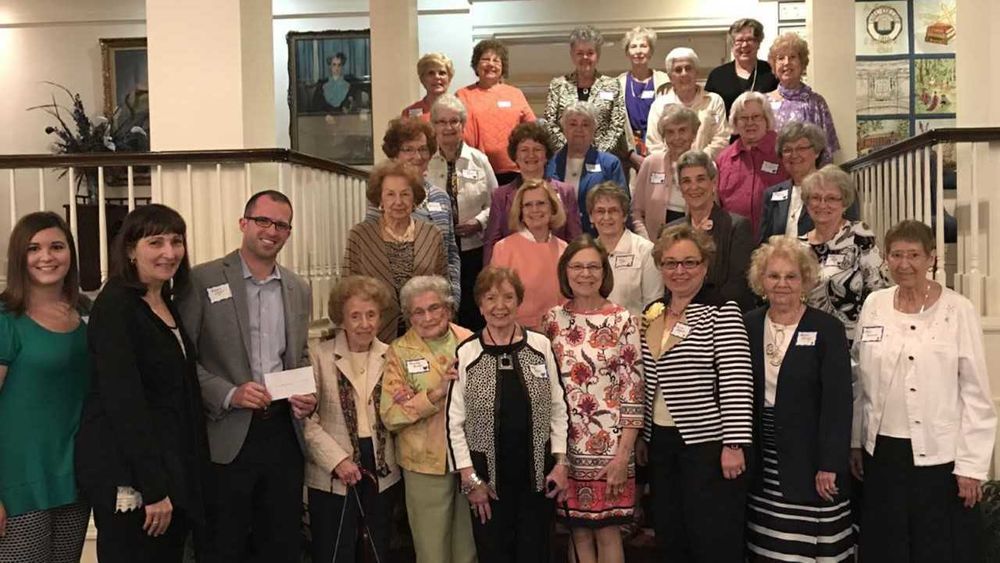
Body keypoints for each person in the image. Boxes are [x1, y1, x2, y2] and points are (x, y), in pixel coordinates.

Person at [176, 191, 315, 563]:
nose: (272, 231)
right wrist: (228, 394)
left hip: (283, 432)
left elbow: (298, 354)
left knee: (281, 541)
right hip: (226, 433)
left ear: (288, 233)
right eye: (263, 221)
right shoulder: (201, 280)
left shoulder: (298, 287)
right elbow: (182, 359)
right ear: (244, 223)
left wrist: (306, 395)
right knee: (224, 544)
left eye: (281, 225)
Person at [852, 220, 997, 562]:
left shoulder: (957, 309)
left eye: (914, 255)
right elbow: (859, 378)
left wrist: (971, 467)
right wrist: (855, 441)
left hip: (940, 458)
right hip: (883, 453)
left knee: (936, 548)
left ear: (931, 257)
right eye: (897, 255)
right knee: (887, 545)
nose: (905, 264)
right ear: (886, 258)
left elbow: (976, 393)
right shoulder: (875, 304)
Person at [78, 204, 208, 563]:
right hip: (133, 481)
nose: (170, 252)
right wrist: (153, 489)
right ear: (131, 250)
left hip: (169, 471)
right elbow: (124, 403)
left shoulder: (163, 299)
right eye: (156, 242)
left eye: (176, 241)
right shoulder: (116, 306)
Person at [635, 223, 753, 562]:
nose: (680, 271)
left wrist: (734, 444)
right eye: (671, 263)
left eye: (689, 262)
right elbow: (648, 378)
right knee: (671, 532)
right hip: (661, 443)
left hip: (707, 444)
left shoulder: (722, 309)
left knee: (712, 536)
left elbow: (736, 379)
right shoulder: (653, 312)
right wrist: (644, 434)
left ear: (704, 265)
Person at [447, 266, 570, 563]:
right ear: (479, 304)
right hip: (486, 483)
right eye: (490, 298)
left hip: (538, 479)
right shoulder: (466, 353)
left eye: (507, 297)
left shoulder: (540, 346)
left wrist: (561, 463)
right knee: (493, 553)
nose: (499, 306)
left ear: (518, 302)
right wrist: (470, 480)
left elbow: (558, 407)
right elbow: (454, 423)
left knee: (536, 552)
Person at [744, 237, 855, 561]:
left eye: (791, 276)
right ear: (760, 280)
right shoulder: (748, 325)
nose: (782, 284)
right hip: (763, 459)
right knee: (770, 547)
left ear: (805, 280)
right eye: (773, 276)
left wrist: (829, 464)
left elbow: (838, 403)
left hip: (811, 459)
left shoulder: (827, 328)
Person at [542, 236, 643, 563]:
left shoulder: (621, 320)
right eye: (577, 266)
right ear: (565, 271)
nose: (585, 274)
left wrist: (623, 454)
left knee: (607, 531)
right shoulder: (552, 320)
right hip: (565, 449)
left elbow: (632, 391)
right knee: (578, 531)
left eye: (593, 267)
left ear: (604, 272)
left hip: (610, 449)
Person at [0, 213, 91, 562]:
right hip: (18, 483)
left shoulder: (86, 311)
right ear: (19, 257)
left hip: (73, 479)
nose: (47, 257)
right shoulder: (6, 318)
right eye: (33, 248)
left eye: (57, 246)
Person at [304, 275, 401, 563]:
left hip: (382, 467)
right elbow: (305, 419)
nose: (364, 323)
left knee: (376, 548)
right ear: (341, 319)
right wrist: (337, 461)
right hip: (332, 467)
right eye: (355, 316)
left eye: (371, 315)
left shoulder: (392, 355)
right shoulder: (318, 355)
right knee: (335, 550)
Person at [380, 275, 476, 563]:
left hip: (469, 458)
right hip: (424, 462)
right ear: (408, 316)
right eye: (417, 312)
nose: (427, 317)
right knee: (432, 551)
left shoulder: (469, 339)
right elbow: (391, 415)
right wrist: (435, 394)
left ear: (448, 309)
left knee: (468, 548)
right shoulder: (399, 350)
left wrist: (415, 398)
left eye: (434, 308)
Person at [349, 160, 448, 343]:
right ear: (380, 199)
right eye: (390, 194)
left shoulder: (432, 234)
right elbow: (347, 291)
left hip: (425, 336)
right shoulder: (360, 235)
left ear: (414, 198)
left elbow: (443, 290)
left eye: (405, 194)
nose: (398, 202)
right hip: (375, 336)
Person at [367, 117, 461, 304]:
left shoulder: (441, 197)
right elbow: (373, 251)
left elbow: (451, 253)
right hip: (392, 303)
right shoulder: (382, 195)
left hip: (436, 303)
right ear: (394, 154)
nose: (417, 156)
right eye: (408, 149)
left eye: (423, 149)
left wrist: (453, 299)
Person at [426, 94, 498, 330]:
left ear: (463, 125)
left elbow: (495, 204)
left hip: (473, 251)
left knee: (472, 312)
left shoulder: (479, 160)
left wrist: (478, 222)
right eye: (441, 122)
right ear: (433, 125)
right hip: (436, 252)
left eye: (454, 121)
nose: (448, 127)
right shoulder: (425, 162)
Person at [799, 165, 888, 342]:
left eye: (831, 198)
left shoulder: (859, 235)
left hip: (852, 340)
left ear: (845, 203)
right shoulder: (797, 246)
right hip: (807, 339)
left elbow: (879, 290)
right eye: (815, 198)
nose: (822, 204)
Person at [483, 122, 583, 263]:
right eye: (524, 150)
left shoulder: (566, 192)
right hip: (513, 272)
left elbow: (575, 241)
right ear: (515, 156)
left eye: (537, 149)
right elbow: (491, 243)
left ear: (546, 155)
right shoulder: (500, 196)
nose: (531, 155)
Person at [668, 150, 754, 311]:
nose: (694, 187)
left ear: (713, 183)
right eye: (686, 181)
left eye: (700, 179)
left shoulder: (737, 227)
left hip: (721, 319)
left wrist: (696, 313)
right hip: (678, 318)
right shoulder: (670, 231)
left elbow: (738, 287)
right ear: (680, 188)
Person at [490, 179, 569, 330]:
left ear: (552, 208)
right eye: (528, 205)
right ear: (520, 212)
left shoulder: (565, 249)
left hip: (559, 331)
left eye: (540, 203)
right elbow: (497, 300)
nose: (535, 210)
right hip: (517, 335)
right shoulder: (503, 248)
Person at [457, 39, 535, 185]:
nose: (491, 64)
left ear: (503, 67)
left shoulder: (515, 94)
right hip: (475, 170)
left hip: (513, 171)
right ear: (476, 65)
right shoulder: (463, 95)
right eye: (485, 59)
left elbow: (532, 129)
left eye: (496, 61)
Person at [545, 101, 628, 234]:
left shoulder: (610, 164)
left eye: (585, 124)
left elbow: (622, 205)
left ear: (594, 129)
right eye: (573, 124)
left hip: (598, 238)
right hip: (558, 238)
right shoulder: (549, 163)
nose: (579, 129)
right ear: (564, 129)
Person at [715, 91, 789, 237]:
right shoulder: (723, 159)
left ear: (767, 119)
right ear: (735, 122)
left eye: (756, 117)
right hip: (734, 241)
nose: (750, 123)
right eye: (743, 118)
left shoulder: (784, 151)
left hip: (777, 239)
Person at [543, 26, 626, 155]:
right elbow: (550, 124)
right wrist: (569, 151)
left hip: (601, 159)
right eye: (580, 53)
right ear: (572, 55)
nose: (585, 57)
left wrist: (598, 154)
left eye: (590, 53)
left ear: (597, 55)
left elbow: (617, 125)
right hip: (565, 158)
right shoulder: (558, 85)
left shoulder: (612, 85)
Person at [587, 183, 662, 316]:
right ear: (591, 217)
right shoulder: (585, 252)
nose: (606, 217)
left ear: (625, 216)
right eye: (600, 211)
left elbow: (654, 305)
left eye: (613, 211)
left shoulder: (645, 250)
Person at [644, 48, 730, 159]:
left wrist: (696, 162)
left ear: (696, 72)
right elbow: (654, 145)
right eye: (678, 70)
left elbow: (721, 139)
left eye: (688, 68)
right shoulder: (659, 106)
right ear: (670, 77)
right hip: (669, 170)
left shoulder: (714, 101)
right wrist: (675, 164)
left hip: (706, 170)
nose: (684, 74)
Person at [766, 34, 840, 163]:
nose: (786, 63)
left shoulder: (816, 103)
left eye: (793, 57)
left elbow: (827, 153)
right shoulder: (764, 103)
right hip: (772, 177)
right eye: (780, 58)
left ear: (802, 63)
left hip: (808, 178)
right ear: (773, 65)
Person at [632, 105, 700, 239]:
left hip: (693, 242)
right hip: (653, 243)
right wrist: (646, 243)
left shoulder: (706, 165)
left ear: (693, 133)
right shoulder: (651, 163)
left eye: (682, 130)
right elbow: (636, 212)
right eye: (670, 132)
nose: (677, 137)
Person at [617, 26, 670, 170]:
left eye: (643, 46)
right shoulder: (617, 85)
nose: (638, 51)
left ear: (651, 51)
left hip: (661, 152)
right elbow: (616, 127)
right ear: (627, 53)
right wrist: (632, 155)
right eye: (633, 46)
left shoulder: (666, 82)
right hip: (629, 157)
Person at [704, 18, 779, 117]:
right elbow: (709, 112)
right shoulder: (717, 76)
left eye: (750, 39)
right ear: (732, 45)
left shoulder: (772, 71)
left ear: (758, 43)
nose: (744, 45)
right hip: (727, 132)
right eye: (739, 40)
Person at [402, 52, 455, 122]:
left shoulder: (460, 110)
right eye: (431, 73)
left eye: (442, 73)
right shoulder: (409, 113)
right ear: (422, 79)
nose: (437, 77)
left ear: (449, 78)